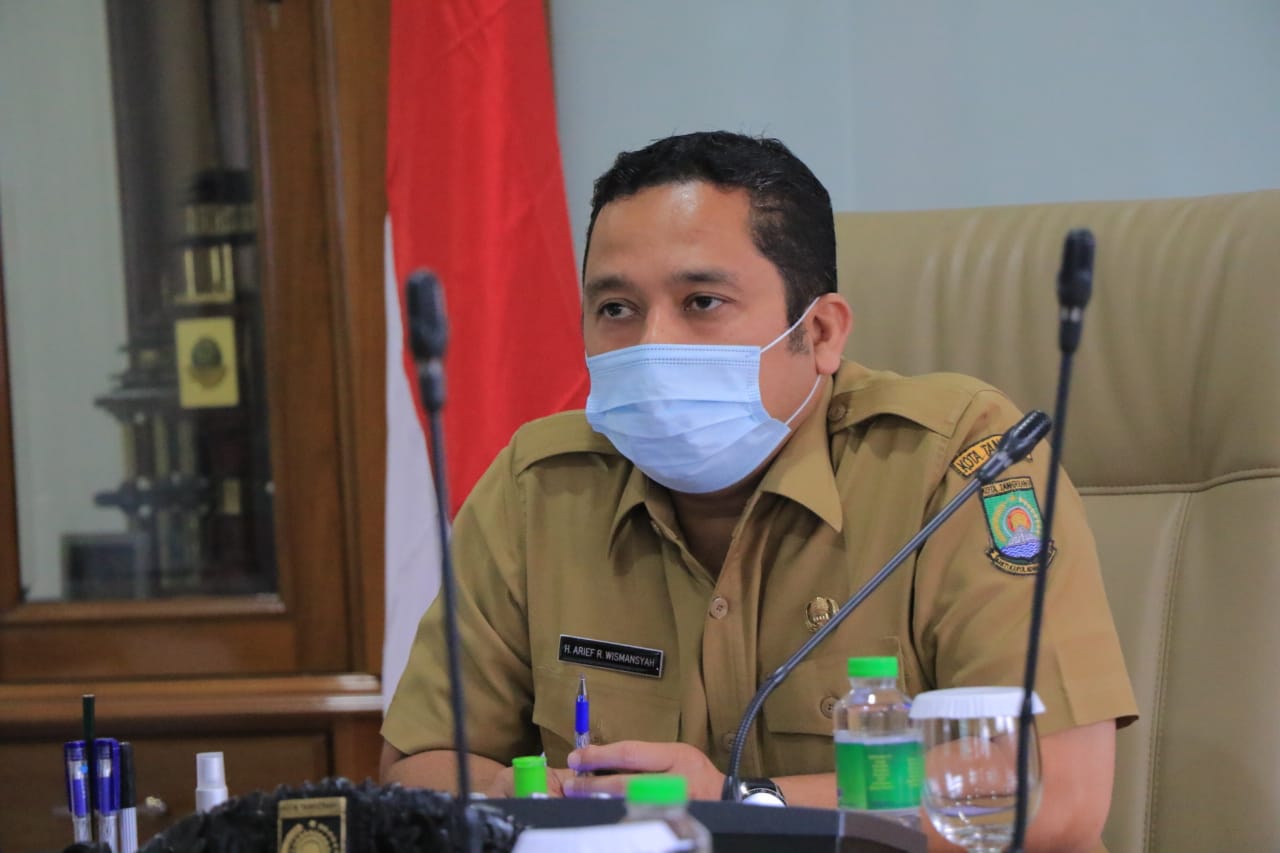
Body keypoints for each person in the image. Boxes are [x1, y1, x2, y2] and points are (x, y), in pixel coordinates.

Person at [381, 131, 1138, 849]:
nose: (652, 343)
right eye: (616, 309)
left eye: (701, 302)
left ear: (822, 333)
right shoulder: (540, 488)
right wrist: (537, 798)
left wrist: (738, 805)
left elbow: (1056, 792)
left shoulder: (959, 465)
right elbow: (415, 768)